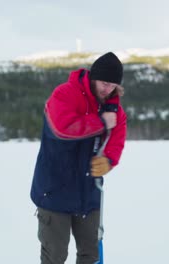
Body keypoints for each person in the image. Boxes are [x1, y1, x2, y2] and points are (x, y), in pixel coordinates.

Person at [30, 52, 127, 264]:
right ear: (93, 77)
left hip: (88, 192)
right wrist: (100, 122)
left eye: (112, 85)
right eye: (103, 82)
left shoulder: (114, 111)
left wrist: (108, 160)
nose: (107, 89)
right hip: (54, 189)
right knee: (55, 255)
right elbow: (63, 129)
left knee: (90, 255)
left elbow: (116, 140)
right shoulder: (64, 94)